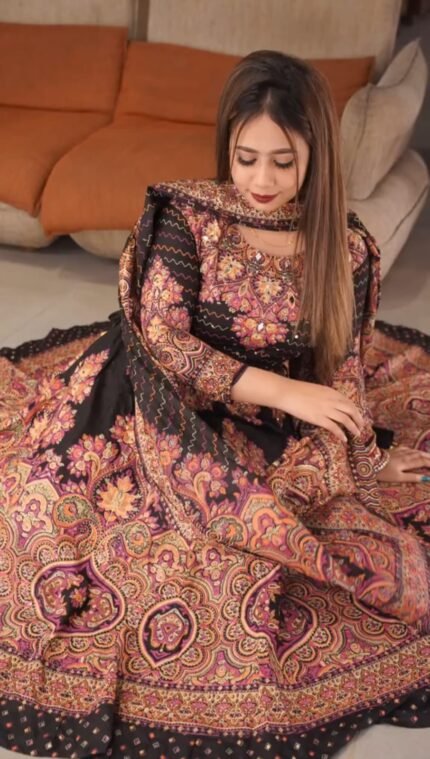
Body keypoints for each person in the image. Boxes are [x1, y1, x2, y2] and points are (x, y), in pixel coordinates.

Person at [0, 50, 430, 759]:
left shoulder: (345, 248)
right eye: (245, 158)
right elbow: (164, 339)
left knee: (273, 538)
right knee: (51, 512)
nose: (260, 181)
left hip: (245, 418)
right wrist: (288, 391)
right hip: (141, 392)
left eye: (283, 162)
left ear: (316, 158)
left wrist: (355, 445)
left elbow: (341, 365)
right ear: (226, 148)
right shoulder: (189, 218)